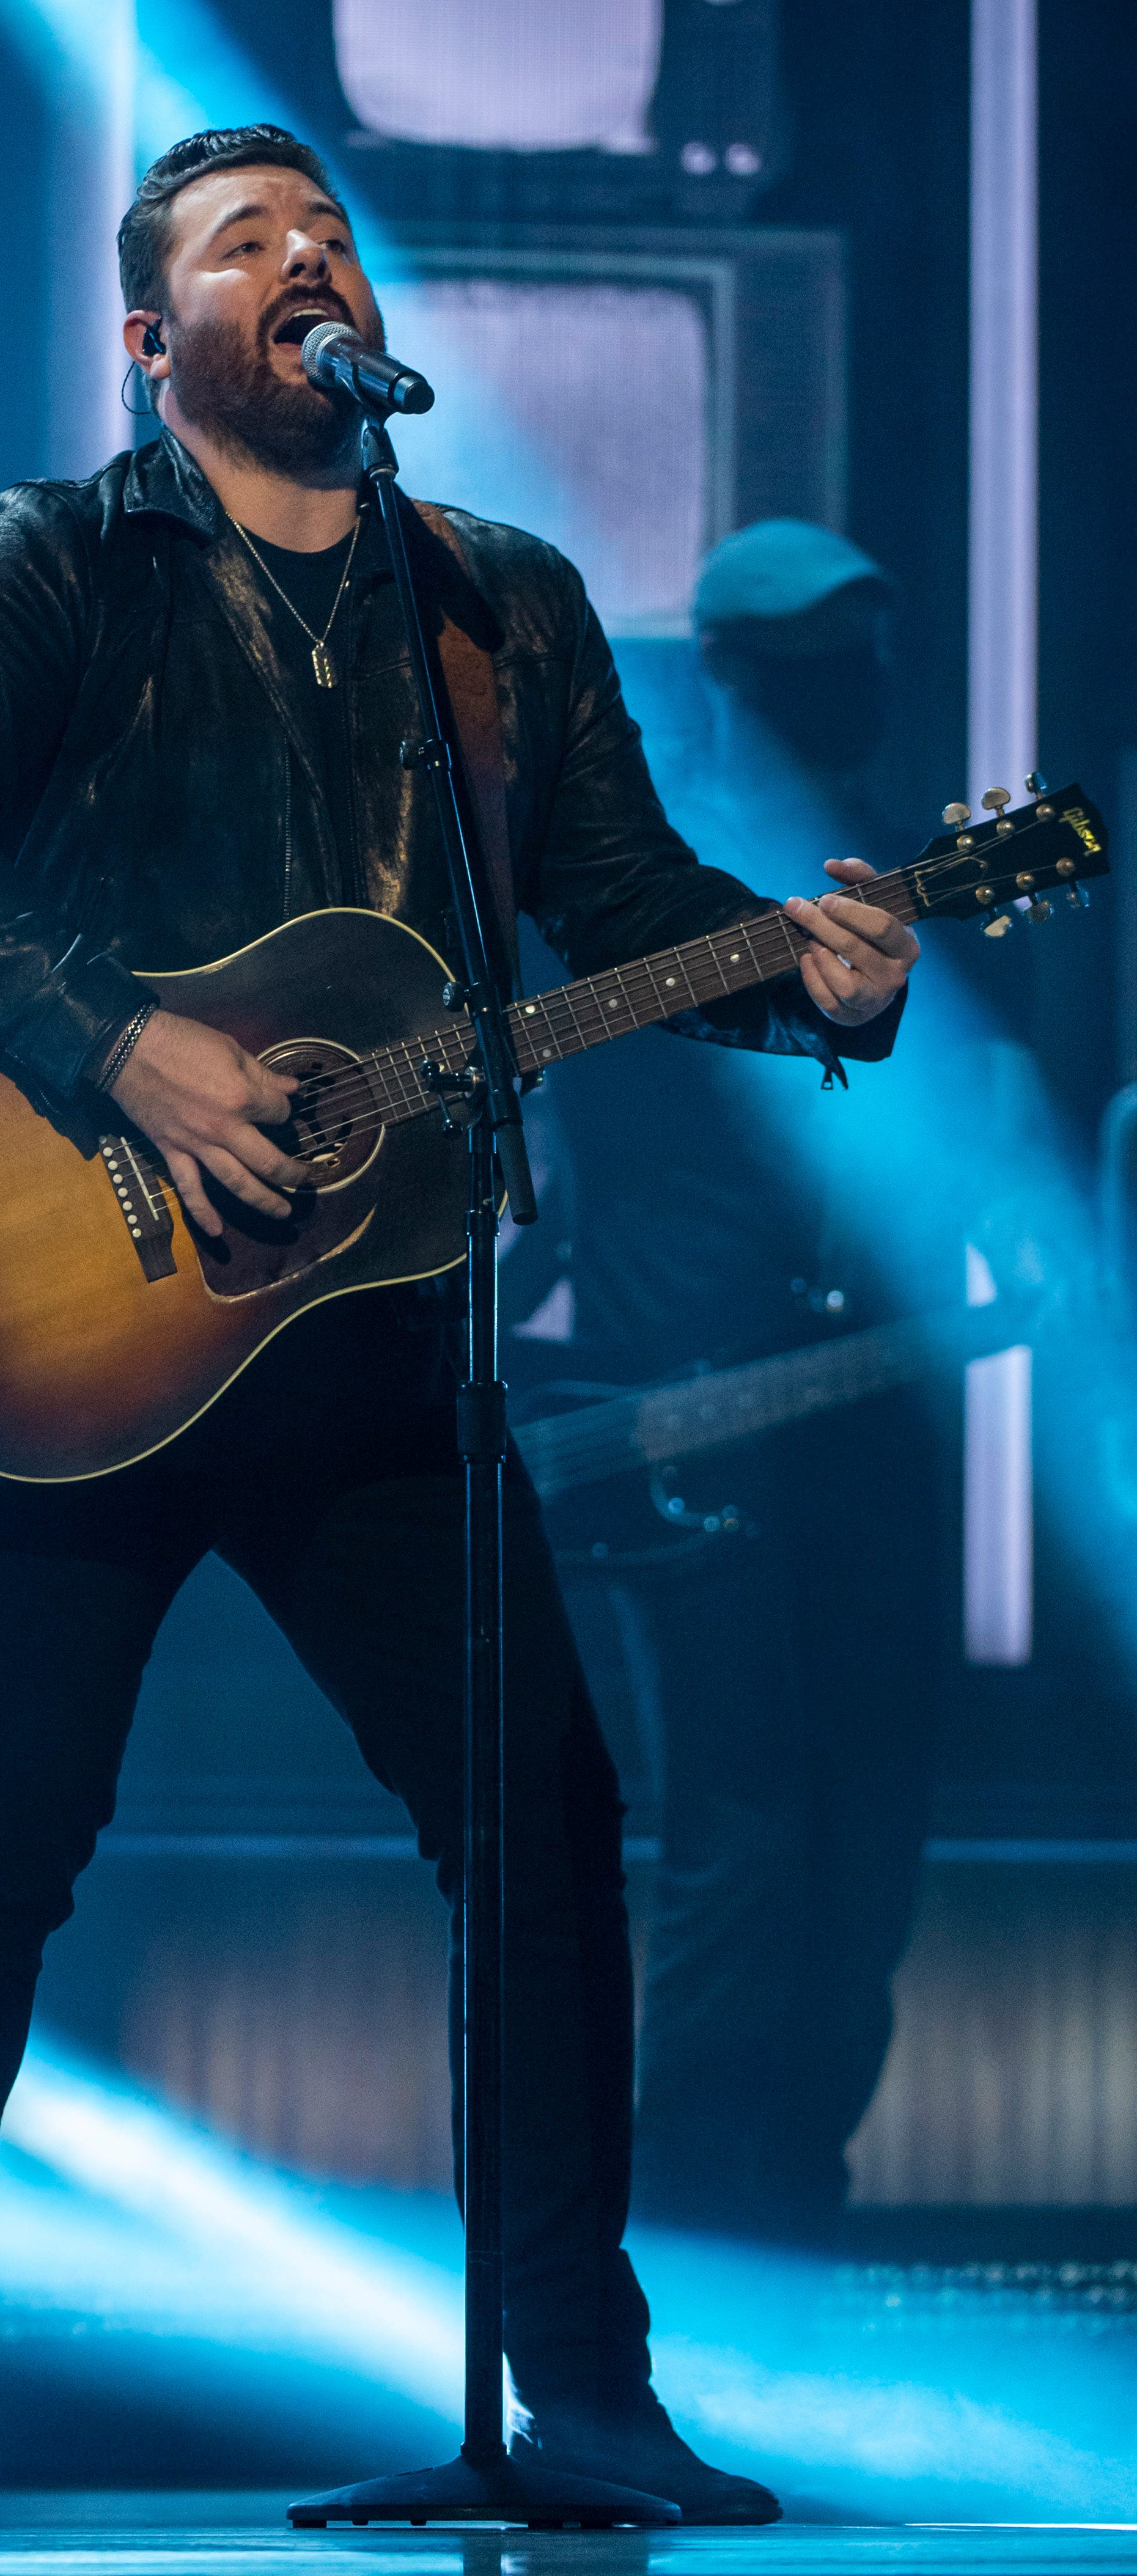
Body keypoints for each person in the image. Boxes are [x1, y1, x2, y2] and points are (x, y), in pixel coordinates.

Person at [0, 130, 918, 2530]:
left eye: (321, 229)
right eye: (238, 239)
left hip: (385, 1331)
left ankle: (574, 2398)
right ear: (150, 337)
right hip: (65, 1306)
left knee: (541, 1834)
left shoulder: (491, 602)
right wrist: (123, 1043)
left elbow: (616, 905)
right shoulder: (64, 560)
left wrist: (807, 978)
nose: (301, 257)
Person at [501, 520, 944, 2245]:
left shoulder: (910, 879)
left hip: (876, 1420)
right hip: (688, 1416)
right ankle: (687, 2277)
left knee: (868, 1856)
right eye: (826, 663)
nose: (864, 694)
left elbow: (956, 1152)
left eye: (874, 659)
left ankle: (797, 2246)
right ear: (742, 677)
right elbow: (539, 1140)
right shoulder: (630, 872)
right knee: (741, 1846)